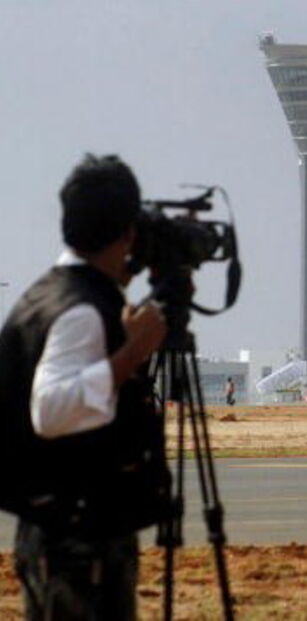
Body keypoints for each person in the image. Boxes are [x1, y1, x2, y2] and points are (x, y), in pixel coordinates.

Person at [0, 154, 169, 619]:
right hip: (79, 543)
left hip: (51, 527)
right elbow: (52, 409)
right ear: (128, 232)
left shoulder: (47, 294)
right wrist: (132, 353)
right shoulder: (81, 310)